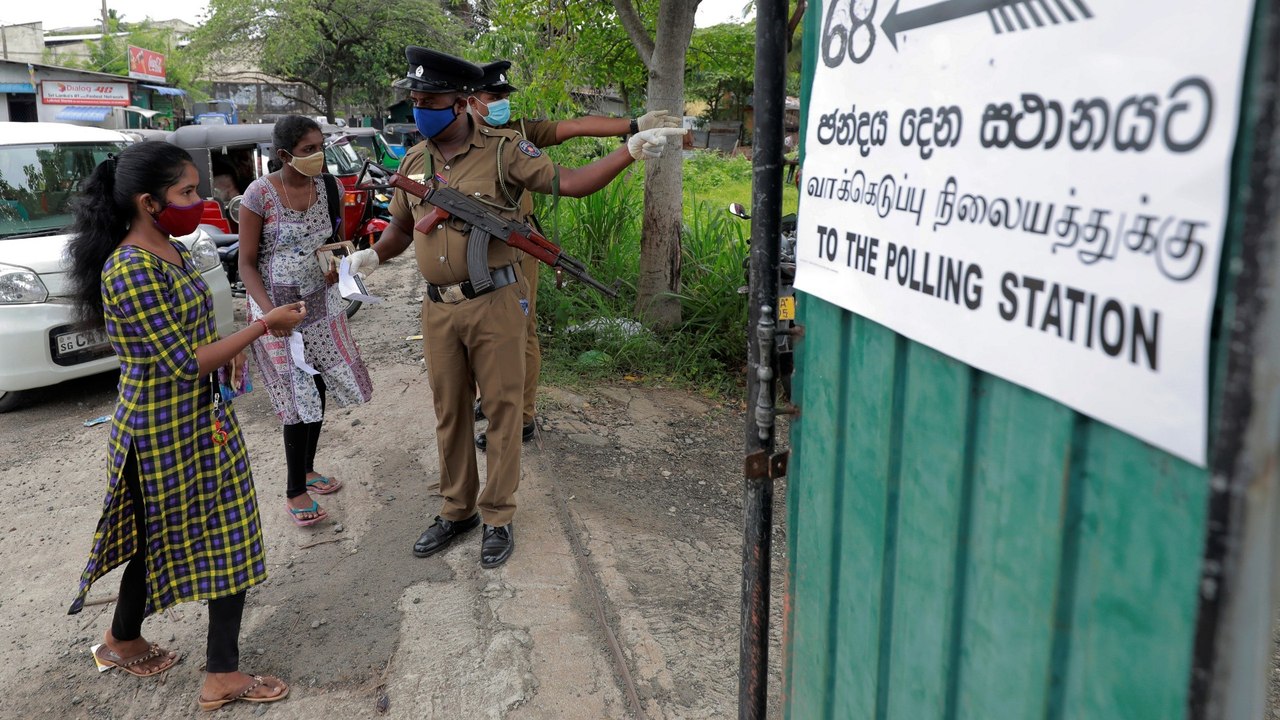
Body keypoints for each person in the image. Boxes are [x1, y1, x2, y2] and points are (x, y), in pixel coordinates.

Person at [347, 46, 684, 568]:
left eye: (429, 98)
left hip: (496, 301)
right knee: (450, 412)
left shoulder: (506, 150)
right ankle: (457, 509)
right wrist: (368, 257)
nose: (419, 108)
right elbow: (398, 230)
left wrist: (629, 150)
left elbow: (568, 182)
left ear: (460, 103)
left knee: (503, 411)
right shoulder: (414, 161)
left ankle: (498, 515)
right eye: (414, 99)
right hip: (438, 310)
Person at [64, 141, 306, 710]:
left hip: (200, 419)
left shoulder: (171, 250)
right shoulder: (130, 268)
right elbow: (180, 362)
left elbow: (193, 336)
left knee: (163, 536)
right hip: (161, 431)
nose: (198, 201)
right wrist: (261, 327)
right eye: (187, 192)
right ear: (149, 202)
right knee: (228, 534)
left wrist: (231, 351)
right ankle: (221, 674)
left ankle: (122, 639)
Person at [466, 59, 682, 451]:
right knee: (481, 328)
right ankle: (491, 399)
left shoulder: (515, 133)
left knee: (521, 331)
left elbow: (576, 126)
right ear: (468, 101)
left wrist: (633, 126)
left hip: (515, 243)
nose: (501, 104)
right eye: (492, 97)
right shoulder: (456, 140)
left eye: (503, 97)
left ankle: (523, 418)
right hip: (471, 247)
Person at [238, 115, 374, 526]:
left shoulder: (329, 186)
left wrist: (338, 267)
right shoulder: (258, 195)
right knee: (296, 400)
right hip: (278, 310)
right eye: (307, 149)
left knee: (318, 383)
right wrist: (269, 316)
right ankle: (295, 489)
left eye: (320, 146)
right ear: (283, 155)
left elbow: (332, 242)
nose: (317, 156)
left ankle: (309, 468)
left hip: (322, 305)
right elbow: (246, 264)